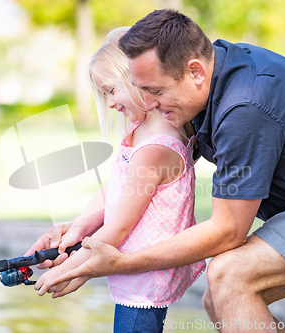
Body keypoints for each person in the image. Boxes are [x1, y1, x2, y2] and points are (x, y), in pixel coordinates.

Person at [30, 9, 285, 333]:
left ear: (195, 71)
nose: (148, 105)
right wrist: (76, 228)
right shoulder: (210, 77)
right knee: (220, 296)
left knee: (231, 276)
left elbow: (227, 231)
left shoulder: (244, 107)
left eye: (155, 91)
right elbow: (136, 180)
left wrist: (121, 263)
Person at [27, 27, 206, 333]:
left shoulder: (155, 149)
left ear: (134, 78)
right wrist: (77, 229)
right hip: (130, 271)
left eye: (111, 90)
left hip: (144, 282)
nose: (109, 103)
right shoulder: (139, 134)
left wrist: (71, 269)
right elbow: (111, 191)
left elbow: (120, 225)